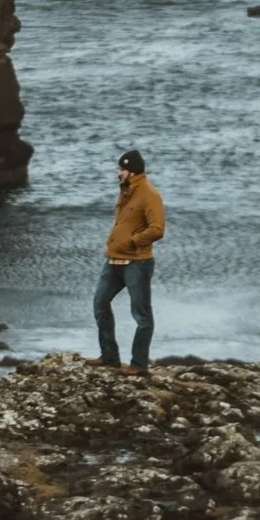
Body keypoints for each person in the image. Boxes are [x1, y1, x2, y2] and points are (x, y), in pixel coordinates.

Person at [91, 149, 165, 375]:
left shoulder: (149, 194)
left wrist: (134, 241)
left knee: (142, 315)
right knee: (100, 303)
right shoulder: (126, 192)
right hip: (114, 260)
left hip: (137, 263)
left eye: (121, 169)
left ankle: (139, 364)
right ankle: (110, 357)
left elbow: (157, 229)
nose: (118, 173)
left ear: (132, 171)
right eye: (118, 169)